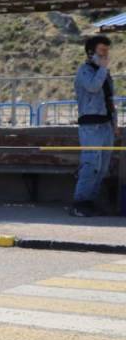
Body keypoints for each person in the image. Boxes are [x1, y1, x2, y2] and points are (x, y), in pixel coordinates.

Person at [70, 35, 116, 217]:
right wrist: (103, 69)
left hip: (106, 125)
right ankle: (79, 202)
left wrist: (114, 122)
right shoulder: (85, 71)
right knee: (91, 164)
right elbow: (92, 87)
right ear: (91, 53)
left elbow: (109, 99)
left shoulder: (104, 73)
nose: (105, 55)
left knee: (103, 166)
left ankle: (91, 201)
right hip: (91, 126)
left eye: (107, 51)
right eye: (102, 51)